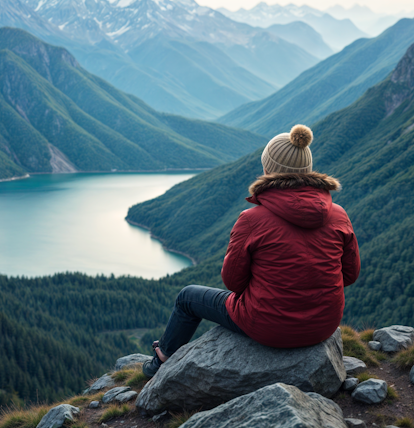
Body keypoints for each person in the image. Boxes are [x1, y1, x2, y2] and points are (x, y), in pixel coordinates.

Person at [143, 124, 361, 378]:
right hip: (324, 325)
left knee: (187, 298)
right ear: (308, 170)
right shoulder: (339, 215)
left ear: (267, 169)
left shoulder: (252, 219)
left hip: (266, 327)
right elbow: (350, 275)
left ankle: (162, 359)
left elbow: (233, 282)